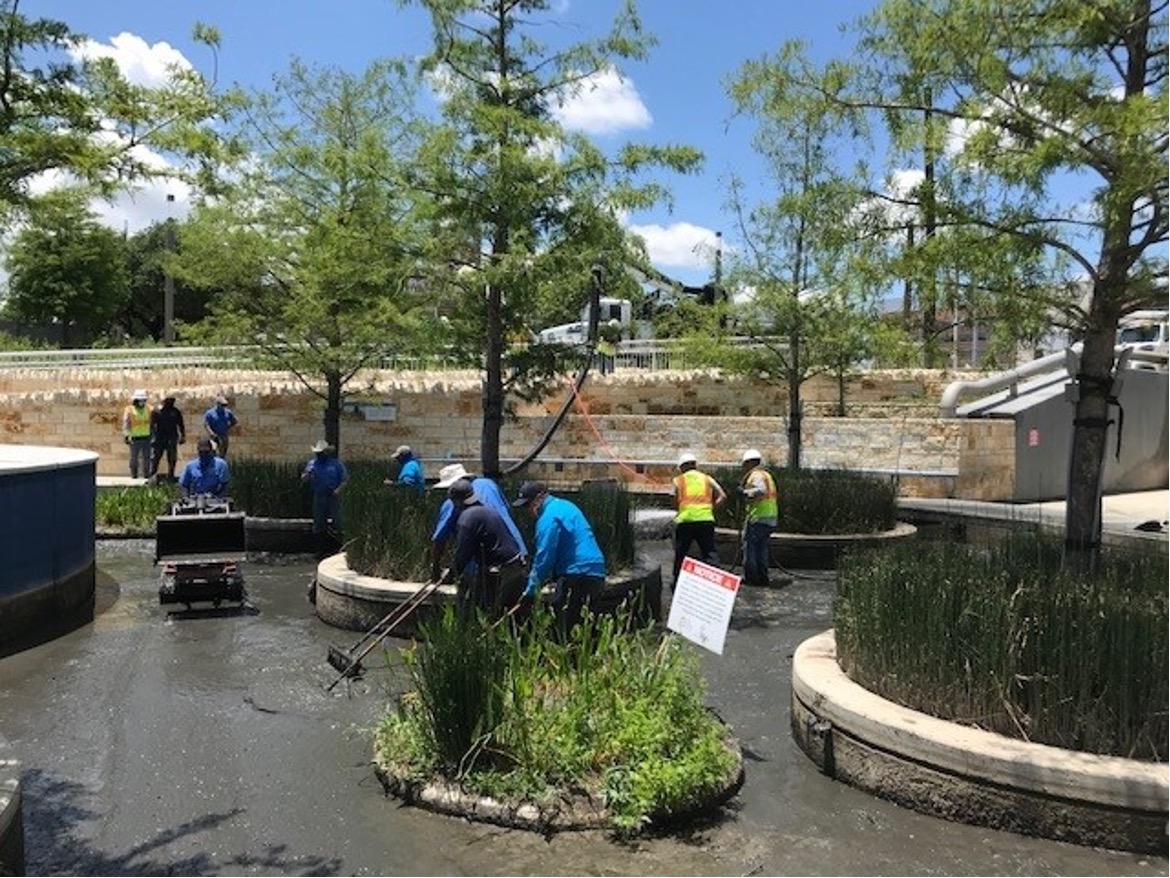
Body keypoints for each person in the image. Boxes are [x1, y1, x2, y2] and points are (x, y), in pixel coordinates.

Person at [512, 480, 607, 639]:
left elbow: (545, 557)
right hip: (596, 571)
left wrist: (530, 591)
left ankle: (568, 662)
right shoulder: (566, 506)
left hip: (576, 573)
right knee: (587, 627)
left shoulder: (548, 518)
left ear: (539, 498)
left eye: (527, 505)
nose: (527, 511)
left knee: (563, 630)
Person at [429, 462, 527, 582]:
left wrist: (437, 569)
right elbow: (507, 512)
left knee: (477, 597)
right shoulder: (489, 484)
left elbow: (440, 539)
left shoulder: (453, 504)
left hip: (487, 566)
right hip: (518, 553)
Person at [444, 478, 526, 617]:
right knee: (509, 613)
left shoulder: (466, 519)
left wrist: (451, 574)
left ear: (456, 502)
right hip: (517, 565)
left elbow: (463, 554)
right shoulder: (488, 510)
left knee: (484, 610)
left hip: (499, 570)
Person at [671, 451, 727, 582]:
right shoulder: (707, 478)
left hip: (686, 521)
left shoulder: (678, 480)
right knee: (710, 553)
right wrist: (711, 508)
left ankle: (678, 581)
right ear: (695, 465)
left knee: (681, 553)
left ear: (682, 467)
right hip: (706, 520)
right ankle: (715, 584)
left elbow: (673, 499)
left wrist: (678, 511)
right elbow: (723, 496)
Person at [301, 439, 348, 557]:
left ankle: (339, 550)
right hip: (319, 496)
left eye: (321, 452)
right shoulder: (312, 464)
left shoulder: (336, 464)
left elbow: (345, 479)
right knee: (319, 523)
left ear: (327, 452)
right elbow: (304, 479)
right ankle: (320, 550)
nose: (319, 455)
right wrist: (307, 475)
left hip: (333, 496)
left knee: (338, 522)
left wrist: (338, 490)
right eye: (318, 453)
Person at [738, 448, 778, 587]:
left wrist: (745, 493)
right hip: (770, 518)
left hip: (758, 518)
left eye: (744, 464)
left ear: (749, 463)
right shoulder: (767, 475)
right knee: (761, 548)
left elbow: (761, 491)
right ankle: (762, 577)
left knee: (750, 548)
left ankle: (752, 577)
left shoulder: (756, 475)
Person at [149, 393, 185, 482]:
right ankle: (152, 475)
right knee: (156, 457)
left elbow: (181, 425)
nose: (171, 402)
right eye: (169, 400)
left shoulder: (176, 412)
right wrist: (152, 437)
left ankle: (171, 475)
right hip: (159, 437)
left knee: (172, 458)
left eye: (172, 400)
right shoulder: (157, 411)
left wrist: (183, 436)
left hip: (172, 437)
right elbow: (152, 426)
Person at [121, 389, 153, 478]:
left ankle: (146, 474)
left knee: (147, 457)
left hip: (147, 437)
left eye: (143, 400)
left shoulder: (149, 408)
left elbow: (153, 422)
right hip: (135, 438)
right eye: (140, 400)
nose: (141, 402)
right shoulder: (129, 409)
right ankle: (134, 475)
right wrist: (126, 435)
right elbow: (126, 423)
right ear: (135, 400)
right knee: (134, 458)